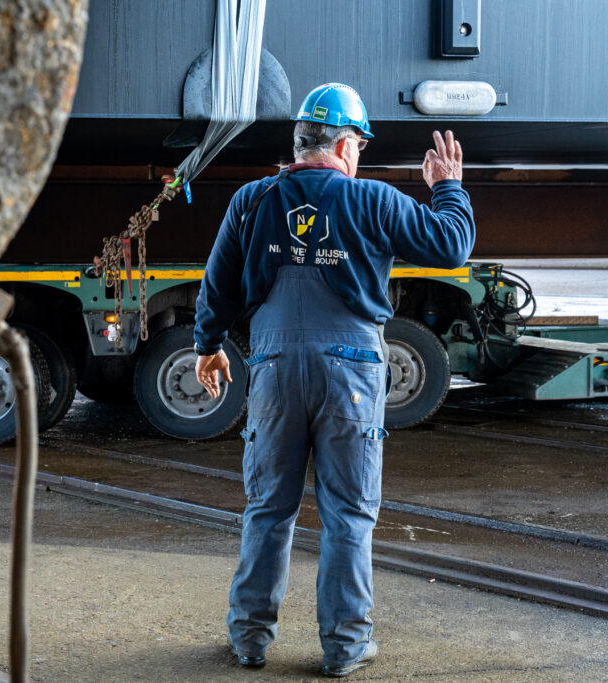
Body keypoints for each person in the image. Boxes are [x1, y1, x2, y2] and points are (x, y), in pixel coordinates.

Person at [192, 83, 475, 677]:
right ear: (346, 145)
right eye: (360, 146)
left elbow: (216, 286)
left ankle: (249, 640)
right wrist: (446, 185)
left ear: (300, 142)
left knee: (268, 508)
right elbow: (451, 245)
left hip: (273, 369)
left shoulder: (251, 201)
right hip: (351, 372)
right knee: (348, 512)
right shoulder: (372, 200)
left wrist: (208, 348)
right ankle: (345, 648)